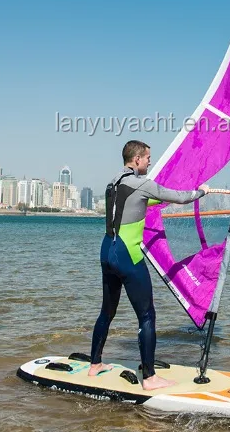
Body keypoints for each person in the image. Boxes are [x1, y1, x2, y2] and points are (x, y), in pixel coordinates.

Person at [88, 139, 209, 390]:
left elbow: (140, 202)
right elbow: (177, 197)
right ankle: (150, 378)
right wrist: (201, 192)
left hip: (106, 252)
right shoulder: (143, 183)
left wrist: (160, 199)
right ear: (136, 160)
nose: (149, 162)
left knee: (106, 312)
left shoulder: (113, 183)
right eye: (147, 158)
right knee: (146, 315)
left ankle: (95, 364)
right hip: (128, 256)